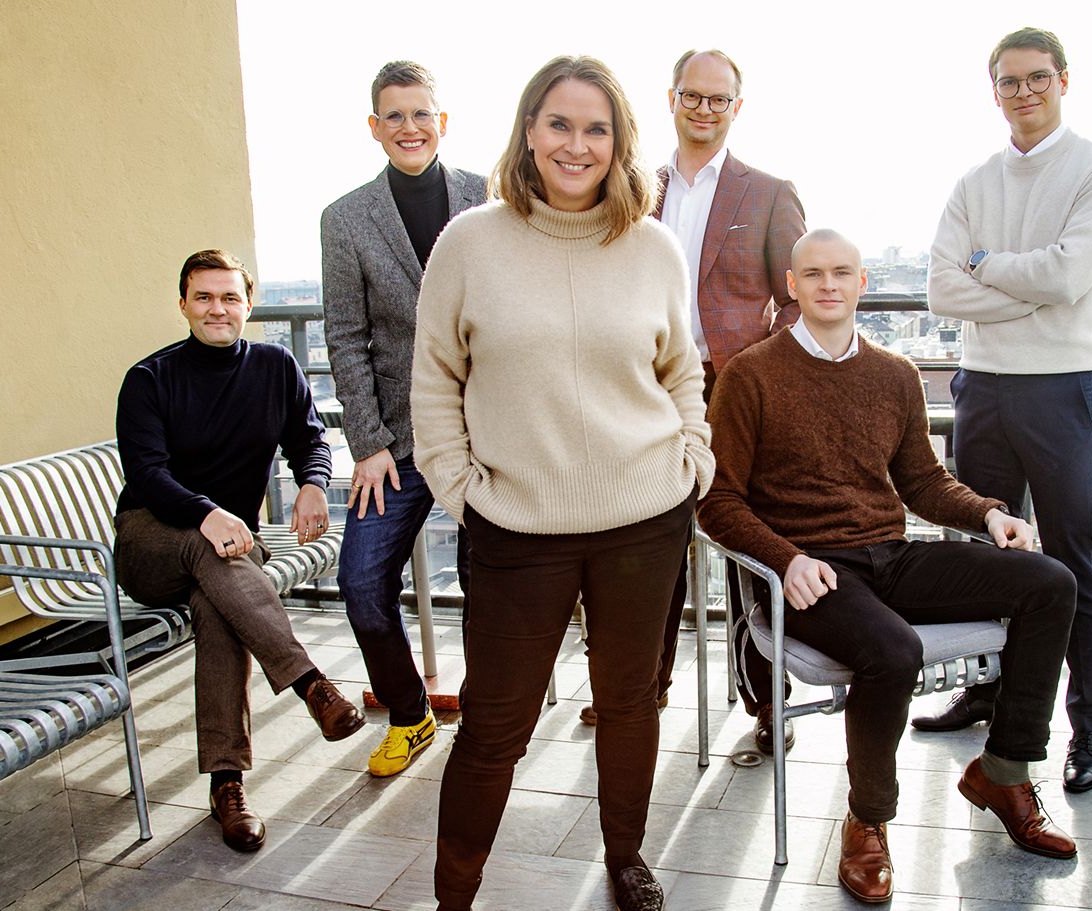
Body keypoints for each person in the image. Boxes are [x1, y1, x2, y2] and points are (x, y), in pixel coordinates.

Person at [411, 56, 713, 911]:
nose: (576, 145)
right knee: (494, 724)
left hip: (644, 516)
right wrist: (461, 489)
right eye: (559, 124)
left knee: (629, 702)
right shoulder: (469, 242)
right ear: (528, 131)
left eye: (596, 129)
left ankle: (626, 858)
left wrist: (692, 458)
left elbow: (681, 368)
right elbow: (434, 377)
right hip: (515, 525)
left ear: (620, 142)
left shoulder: (652, 246)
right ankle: (453, 896)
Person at [698, 229, 1079, 903]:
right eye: (814, 273)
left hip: (890, 555)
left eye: (842, 272)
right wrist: (786, 560)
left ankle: (1005, 772)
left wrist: (990, 515)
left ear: (862, 283)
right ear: (792, 285)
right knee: (894, 652)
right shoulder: (750, 375)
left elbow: (923, 482)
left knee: (1050, 584)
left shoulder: (895, 374)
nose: (828, 284)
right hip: (813, 571)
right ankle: (867, 819)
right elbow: (717, 500)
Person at [576, 48, 807, 757]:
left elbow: (796, 301)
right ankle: (639, 688)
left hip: (731, 392)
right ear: (671, 98)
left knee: (745, 546)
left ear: (737, 106)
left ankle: (767, 699)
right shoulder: (632, 189)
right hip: (643, 392)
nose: (704, 108)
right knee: (644, 547)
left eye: (718, 98)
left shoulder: (770, 193)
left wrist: (759, 378)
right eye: (692, 95)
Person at [921, 26, 1092, 795]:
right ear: (995, 92)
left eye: (1037, 77)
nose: (1024, 92)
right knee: (985, 554)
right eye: (1009, 81)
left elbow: (1071, 276)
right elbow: (941, 289)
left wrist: (989, 268)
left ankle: (1089, 725)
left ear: (1063, 81)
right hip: (982, 385)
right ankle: (985, 694)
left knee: (1072, 559)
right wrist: (1030, 290)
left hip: (1061, 386)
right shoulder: (974, 182)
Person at [113, 249, 366, 853]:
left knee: (217, 607)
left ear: (248, 305)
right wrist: (207, 513)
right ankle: (312, 685)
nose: (217, 309)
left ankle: (226, 786)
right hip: (150, 539)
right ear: (182, 305)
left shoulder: (275, 367)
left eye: (229, 297)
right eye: (203, 297)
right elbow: (147, 474)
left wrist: (312, 484)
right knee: (210, 555)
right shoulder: (149, 379)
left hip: (228, 546)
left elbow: (309, 438)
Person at [321, 60, 487, 778]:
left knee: (490, 585)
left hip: (489, 434)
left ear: (441, 122)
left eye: (421, 114)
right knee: (361, 582)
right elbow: (344, 336)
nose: (409, 127)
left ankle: (486, 721)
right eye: (394, 115)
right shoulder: (345, 219)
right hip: (398, 440)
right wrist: (368, 443)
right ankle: (411, 715)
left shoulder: (488, 195)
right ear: (374, 127)